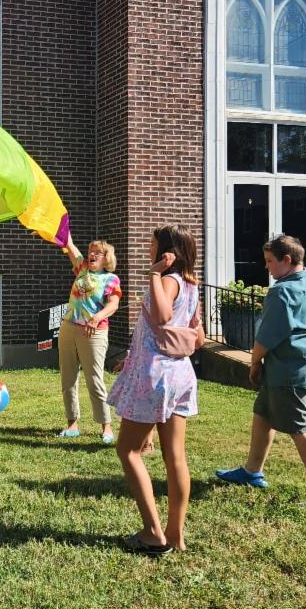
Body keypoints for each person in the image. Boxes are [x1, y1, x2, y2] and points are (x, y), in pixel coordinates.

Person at [216, 235, 306, 511]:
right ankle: (252, 471)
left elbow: (264, 338)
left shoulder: (281, 292)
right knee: (263, 413)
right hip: (305, 364)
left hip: (288, 370)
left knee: (299, 430)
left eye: (269, 261)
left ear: (286, 260)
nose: (266, 267)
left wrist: (254, 363)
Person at [108, 225, 200, 555]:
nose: (148, 248)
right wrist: (136, 353)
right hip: (180, 374)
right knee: (175, 456)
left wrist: (154, 274)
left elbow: (161, 316)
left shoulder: (167, 280)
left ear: (166, 251)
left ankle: (153, 533)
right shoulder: (192, 285)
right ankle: (176, 534)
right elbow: (197, 338)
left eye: (152, 244)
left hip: (155, 377)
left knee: (128, 451)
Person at [57, 237, 122, 443]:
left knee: (94, 379)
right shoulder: (82, 268)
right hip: (69, 327)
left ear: (106, 258)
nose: (92, 254)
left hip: (93, 332)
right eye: (90, 251)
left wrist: (96, 318)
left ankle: (106, 427)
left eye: (97, 252)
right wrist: (57, 227)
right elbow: (69, 244)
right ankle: (72, 424)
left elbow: (113, 305)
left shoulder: (111, 279)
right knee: (68, 378)